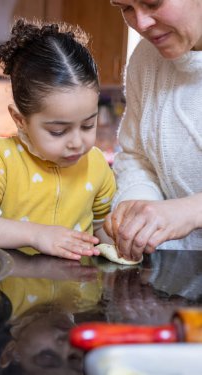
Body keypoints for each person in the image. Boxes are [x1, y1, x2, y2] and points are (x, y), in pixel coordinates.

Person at [0, 18, 116, 260]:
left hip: (79, 296)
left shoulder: (96, 165)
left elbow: (102, 231)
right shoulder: (1, 159)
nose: (77, 142)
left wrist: (126, 240)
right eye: (58, 131)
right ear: (20, 119)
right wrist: (36, 235)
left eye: (88, 125)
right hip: (14, 292)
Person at [105, 0, 202, 261]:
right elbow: (136, 156)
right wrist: (137, 204)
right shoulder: (146, 59)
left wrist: (192, 211)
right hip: (172, 276)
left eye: (152, 3)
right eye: (125, 7)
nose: (141, 24)